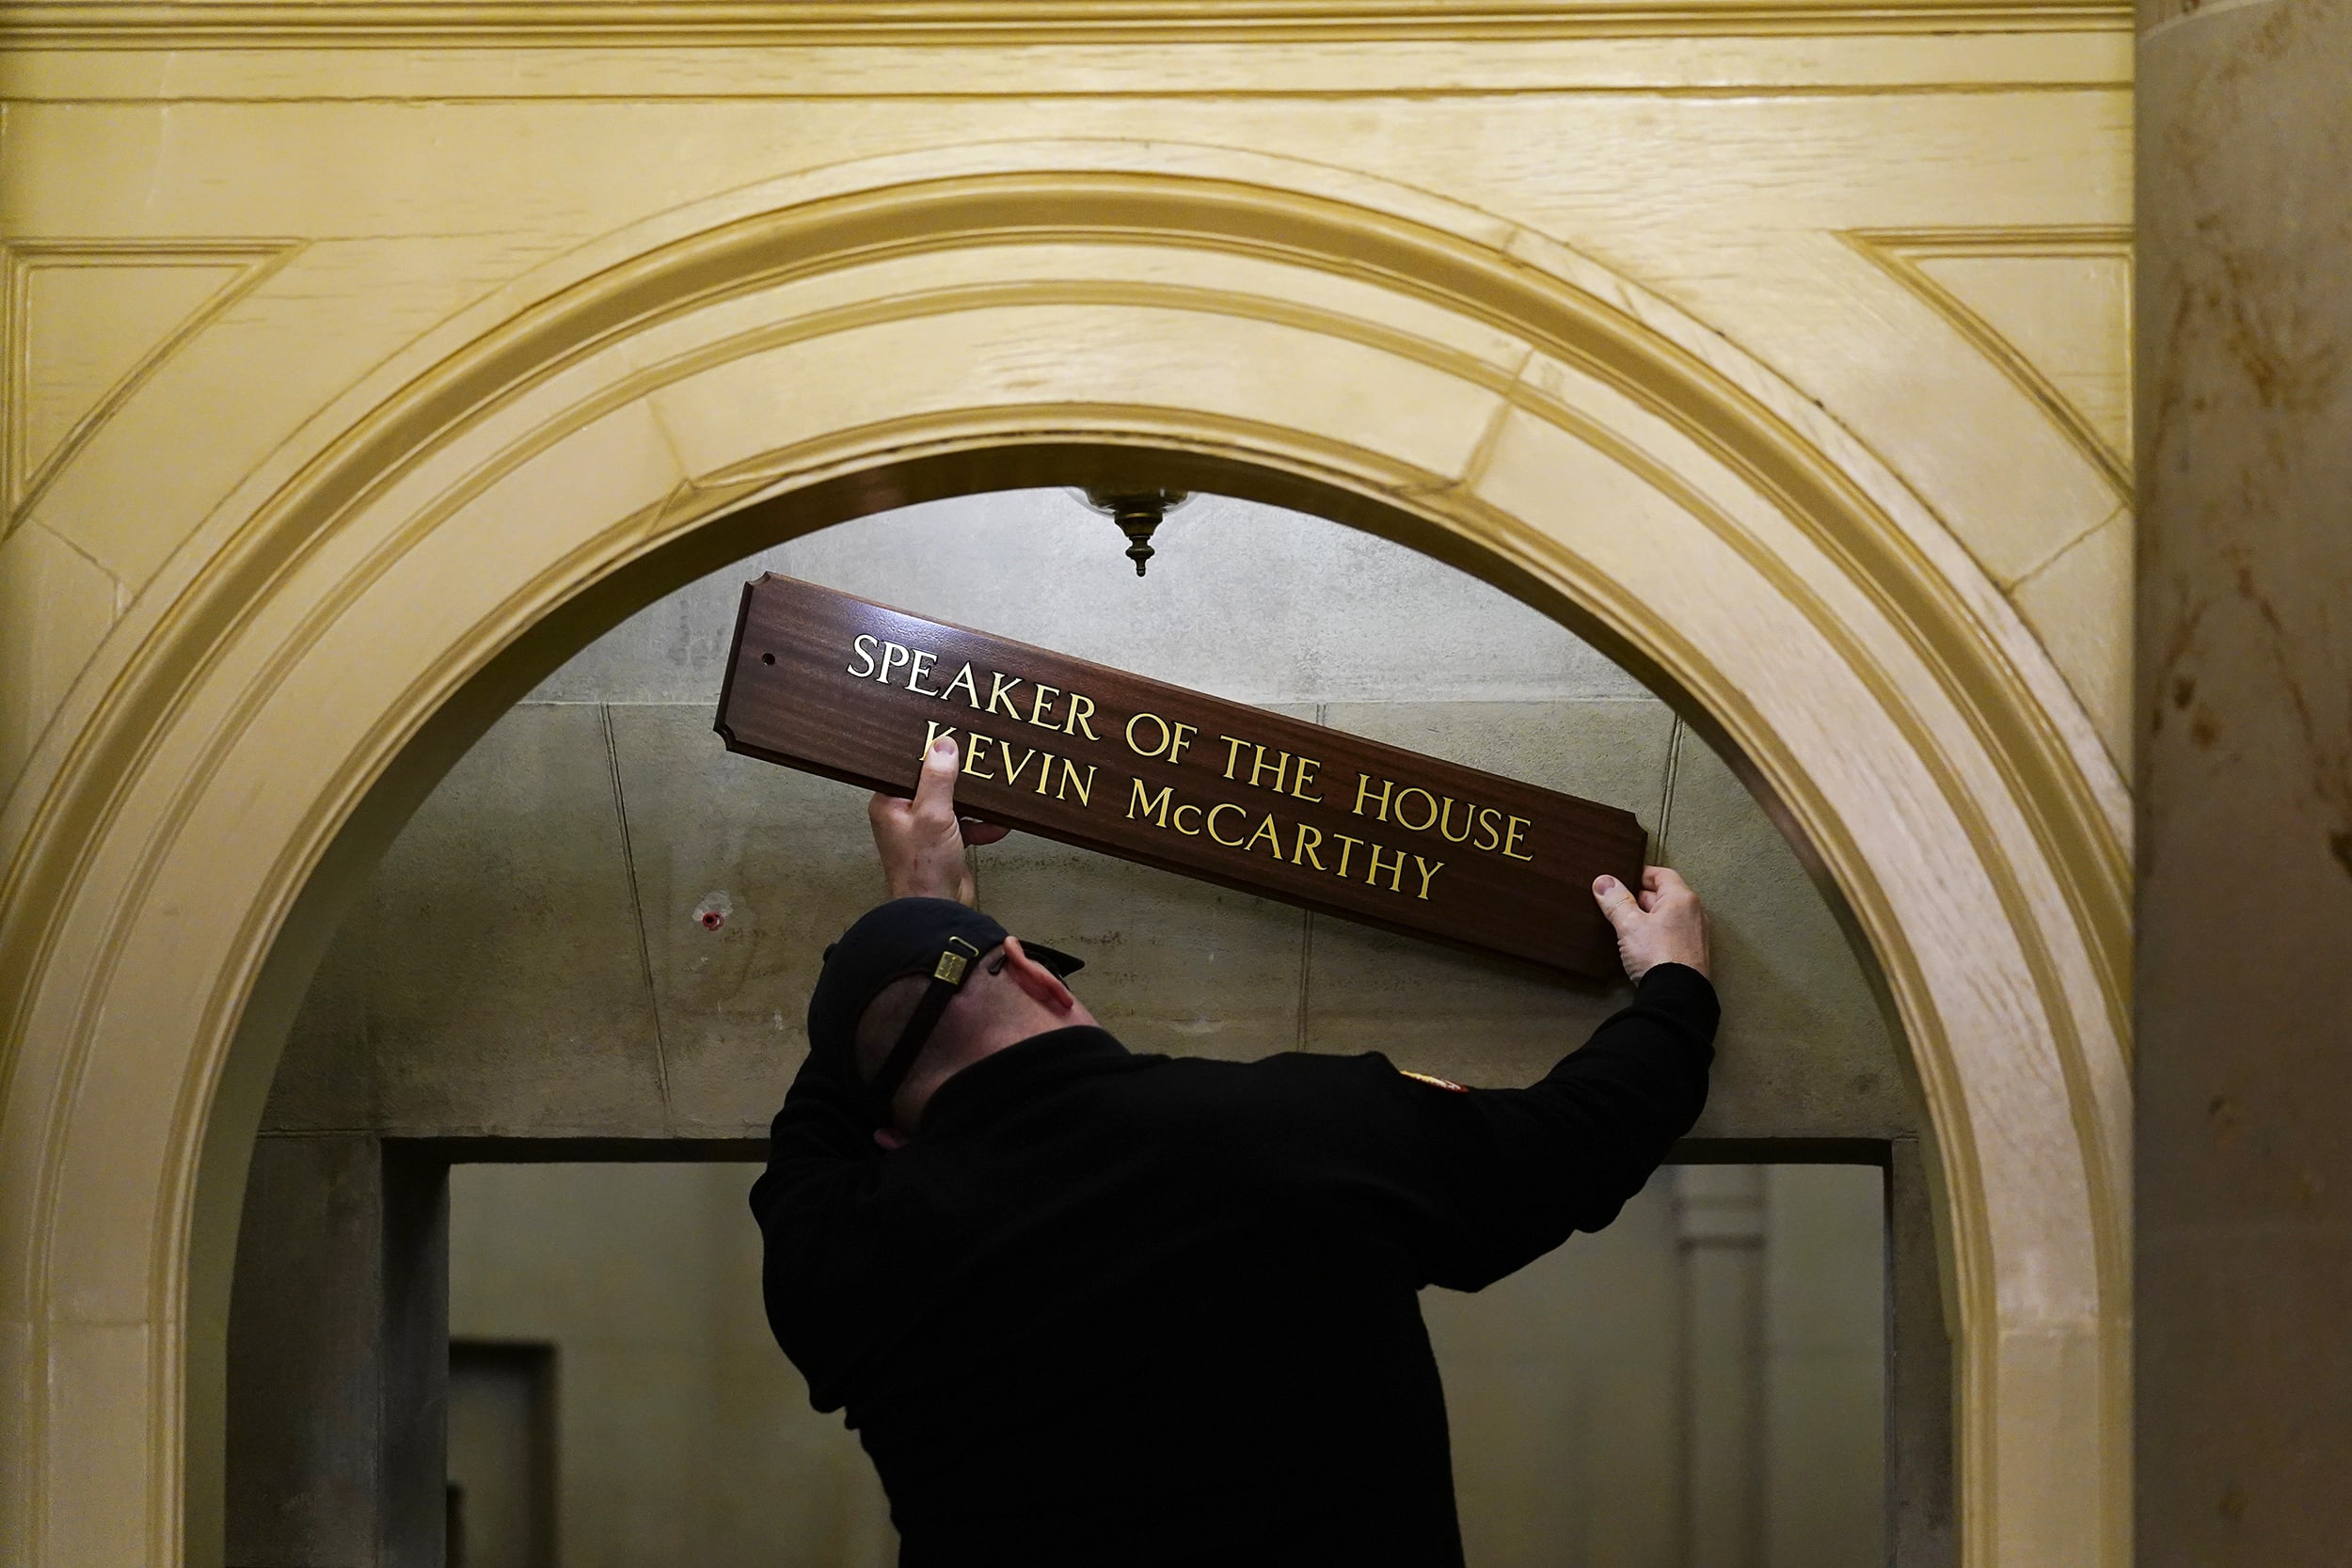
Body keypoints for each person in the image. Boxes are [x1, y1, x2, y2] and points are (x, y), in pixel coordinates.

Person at [752, 736, 1717, 1567]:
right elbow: (1578, 1140)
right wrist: (1672, 983)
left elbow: (824, 1116)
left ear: (887, 1131)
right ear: (1043, 983)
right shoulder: (1303, 1124)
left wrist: (914, 919)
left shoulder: (842, 1258)